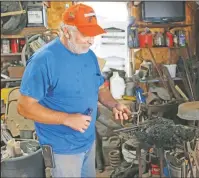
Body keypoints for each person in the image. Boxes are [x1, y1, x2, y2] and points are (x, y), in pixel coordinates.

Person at [17, 3, 131, 177]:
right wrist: (67, 119)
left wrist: (114, 104)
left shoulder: (89, 55)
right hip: (62, 147)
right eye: (85, 34)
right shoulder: (43, 61)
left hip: (87, 141)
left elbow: (100, 88)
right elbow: (24, 107)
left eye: (93, 34)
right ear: (66, 31)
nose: (91, 40)